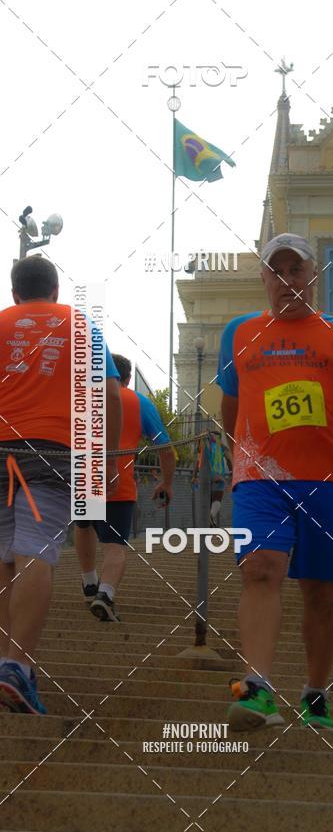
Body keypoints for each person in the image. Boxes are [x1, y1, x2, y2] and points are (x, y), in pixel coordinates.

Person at [217, 234, 333, 732]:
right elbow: (231, 405)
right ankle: (257, 687)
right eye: (278, 271)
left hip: (328, 480)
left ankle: (315, 691)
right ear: (264, 278)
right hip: (260, 479)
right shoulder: (239, 332)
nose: (287, 280)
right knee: (259, 569)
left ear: (313, 276)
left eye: (297, 270)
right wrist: (241, 458)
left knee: (322, 593)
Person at [0, 256, 121, 713]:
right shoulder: (80, 324)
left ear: (15, 293)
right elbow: (109, 394)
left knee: (2, 556)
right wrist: (106, 456)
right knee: (34, 551)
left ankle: (4, 660)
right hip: (52, 451)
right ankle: (17, 666)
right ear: (55, 290)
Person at [75, 355, 175, 621]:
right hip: (117, 483)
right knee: (114, 545)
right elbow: (165, 449)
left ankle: (89, 583)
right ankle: (105, 594)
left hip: (84, 479)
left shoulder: (82, 397)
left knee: (83, 527)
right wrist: (166, 482)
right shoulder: (139, 402)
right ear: (127, 379)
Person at [207, 431, 232, 527]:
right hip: (218, 476)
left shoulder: (205, 447)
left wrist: (194, 476)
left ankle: (210, 522)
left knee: (209, 501)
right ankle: (210, 517)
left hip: (205, 477)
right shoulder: (222, 447)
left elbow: (198, 462)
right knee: (217, 499)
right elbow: (229, 460)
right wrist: (231, 473)